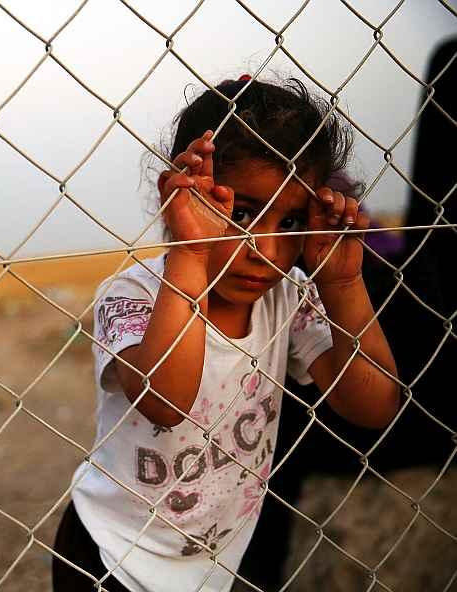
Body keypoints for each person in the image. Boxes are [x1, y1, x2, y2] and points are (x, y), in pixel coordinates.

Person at [52, 76, 400, 592]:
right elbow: (164, 401)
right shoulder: (134, 294)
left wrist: (343, 282)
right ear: (181, 197)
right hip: (111, 555)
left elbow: (375, 406)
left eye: (291, 222)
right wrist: (192, 254)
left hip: (217, 561)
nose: (265, 248)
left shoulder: (289, 297)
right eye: (239, 213)